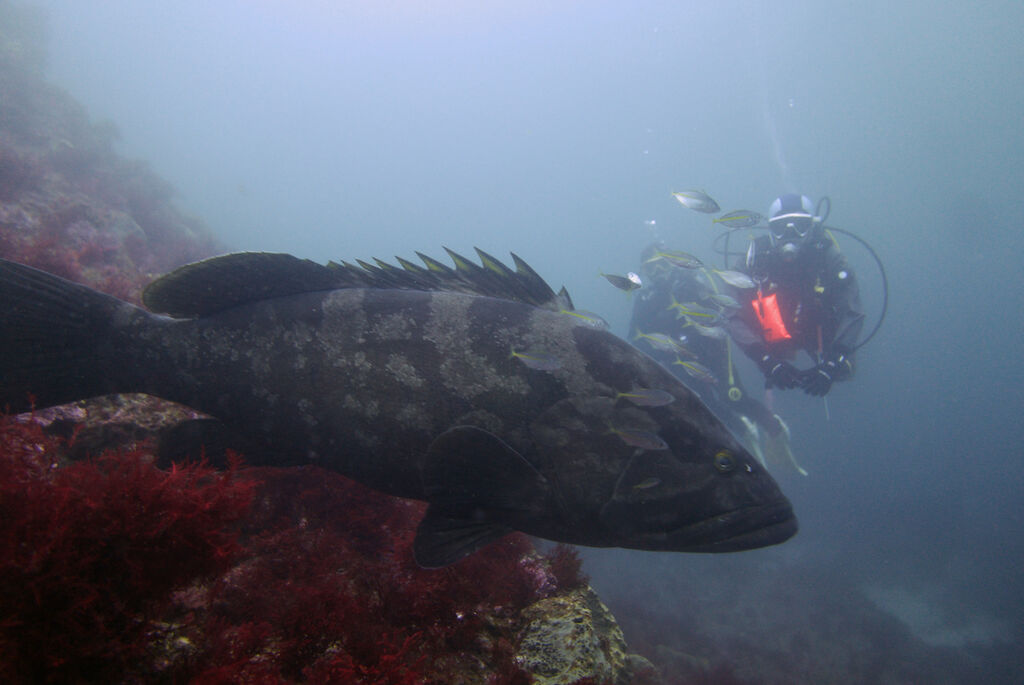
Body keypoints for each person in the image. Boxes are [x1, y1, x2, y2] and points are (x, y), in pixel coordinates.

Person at [630, 242, 805, 474]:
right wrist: (660, 348)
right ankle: (744, 430)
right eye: (651, 269)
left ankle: (775, 429)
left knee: (734, 397)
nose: (658, 272)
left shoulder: (692, 283)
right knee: (705, 405)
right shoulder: (645, 300)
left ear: (672, 264)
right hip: (680, 362)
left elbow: (719, 315)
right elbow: (636, 339)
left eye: (662, 265)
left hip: (712, 353)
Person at [732, 194, 865, 396]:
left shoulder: (829, 257)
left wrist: (834, 362)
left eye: (800, 226)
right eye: (780, 228)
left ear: (812, 227)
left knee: (845, 371)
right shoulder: (754, 259)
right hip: (773, 341)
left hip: (818, 332)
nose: (790, 235)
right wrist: (764, 359)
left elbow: (852, 310)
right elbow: (730, 312)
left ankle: (835, 362)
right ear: (770, 230)